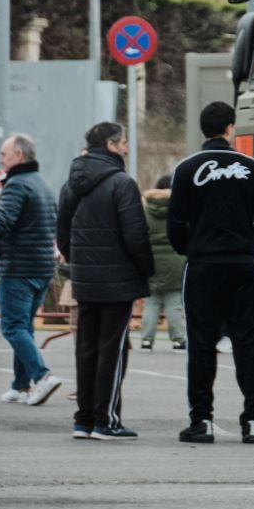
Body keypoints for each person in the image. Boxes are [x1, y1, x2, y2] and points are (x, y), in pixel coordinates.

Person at [169, 103, 254, 445]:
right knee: (248, 344)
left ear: (204, 130)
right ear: (230, 128)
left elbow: (175, 223)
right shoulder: (251, 167)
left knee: (201, 343)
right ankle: (253, 422)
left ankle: (201, 420)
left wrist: (193, 247)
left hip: (202, 265)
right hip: (243, 265)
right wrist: (249, 244)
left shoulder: (187, 169)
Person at [56, 122, 155, 440]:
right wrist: (145, 269)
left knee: (86, 348)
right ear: (111, 145)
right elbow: (135, 235)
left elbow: (63, 232)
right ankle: (106, 420)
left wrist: (78, 261)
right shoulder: (121, 183)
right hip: (118, 280)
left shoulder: (72, 182)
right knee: (112, 350)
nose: (127, 147)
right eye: (124, 142)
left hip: (85, 278)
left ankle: (83, 419)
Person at [0, 135, 64, 407]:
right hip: (42, 268)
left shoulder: (16, 185)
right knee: (24, 326)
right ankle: (20, 385)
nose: (1, 160)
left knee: (12, 326)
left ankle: (43, 376)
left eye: (4, 154)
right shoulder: (43, 185)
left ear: (19, 156)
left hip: (19, 268)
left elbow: (1, 224)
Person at [140, 175, 186, 351]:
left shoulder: (144, 208)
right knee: (174, 302)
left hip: (150, 260)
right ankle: (178, 339)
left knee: (151, 302)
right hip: (175, 259)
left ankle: (146, 339)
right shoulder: (178, 207)